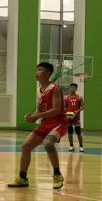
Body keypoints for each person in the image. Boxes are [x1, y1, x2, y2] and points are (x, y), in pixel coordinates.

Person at [8, 62, 67, 190]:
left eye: (40, 70)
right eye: (36, 70)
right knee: (26, 146)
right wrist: (32, 116)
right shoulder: (39, 91)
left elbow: (56, 110)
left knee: (48, 143)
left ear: (48, 73)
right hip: (45, 123)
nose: (37, 72)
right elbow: (40, 111)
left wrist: (37, 116)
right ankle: (22, 178)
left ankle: (57, 175)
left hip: (58, 123)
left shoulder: (55, 88)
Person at [65, 83, 84, 153]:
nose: (72, 89)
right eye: (71, 87)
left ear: (76, 89)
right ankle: (71, 145)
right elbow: (64, 107)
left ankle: (81, 146)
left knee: (78, 132)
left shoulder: (79, 97)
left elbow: (82, 107)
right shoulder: (66, 97)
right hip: (69, 117)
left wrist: (76, 112)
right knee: (70, 132)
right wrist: (66, 115)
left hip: (76, 117)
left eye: (73, 87)